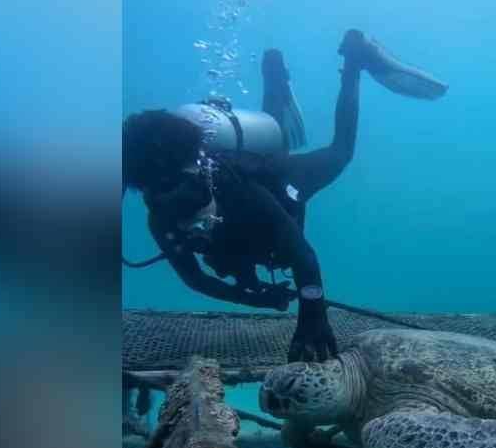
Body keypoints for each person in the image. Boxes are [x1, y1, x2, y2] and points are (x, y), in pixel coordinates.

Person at [122, 29, 447, 362]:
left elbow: (302, 255)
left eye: (183, 193)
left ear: (200, 172)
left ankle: (354, 61)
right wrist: (255, 299)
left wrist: (313, 315)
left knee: (340, 151)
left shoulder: (235, 187)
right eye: (161, 198)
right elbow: (196, 279)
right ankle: (274, 74)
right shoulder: (161, 220)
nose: (178, 208)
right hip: (250, 233)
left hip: (281, 182)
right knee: (278, 134)